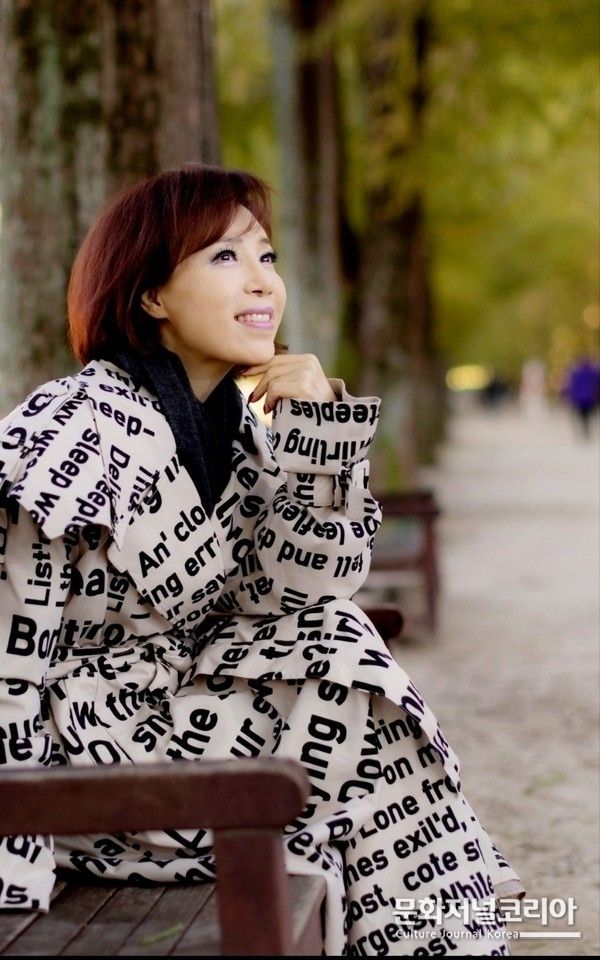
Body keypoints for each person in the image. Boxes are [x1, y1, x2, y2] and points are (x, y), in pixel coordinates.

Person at [0, 165, 523, 955]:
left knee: (343, 659)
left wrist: (318, 428)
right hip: (81, 772)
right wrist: (13, 864)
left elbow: (305, 588)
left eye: (267, 257)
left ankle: (449, 937)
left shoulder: (236, 431)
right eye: (224, 256)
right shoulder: (75, 426)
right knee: (356, 726)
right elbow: (9, 654)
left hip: (182, 727)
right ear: (151, 295)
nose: (261, 282)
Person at [562, 357, 600, 439]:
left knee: (582, 416)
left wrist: (570, 397)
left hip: (579, 400)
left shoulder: (576, 373)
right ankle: (587, 430)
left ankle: (584, 430)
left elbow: (572, 386)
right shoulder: (594, 372)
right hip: (591, 399)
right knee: (588, 416)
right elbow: (597, 384)